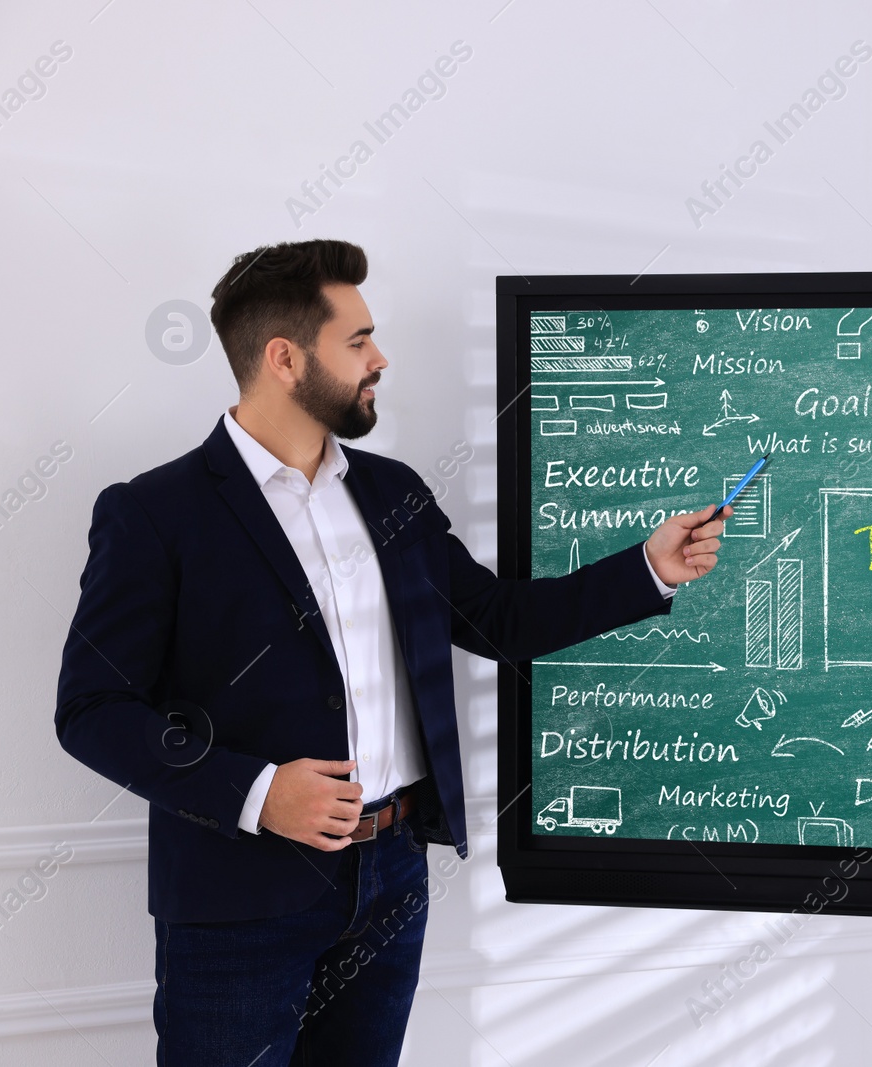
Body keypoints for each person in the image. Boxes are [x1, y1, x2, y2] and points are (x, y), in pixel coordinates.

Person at [53, 239, 729, 1066]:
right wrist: (258, 792)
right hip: (239, 899)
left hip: (392, 880)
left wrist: (649, 568)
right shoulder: (156, 512)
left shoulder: (393, 492)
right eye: (359, 340)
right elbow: (92, 710)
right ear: (284, 357)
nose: (381, 359)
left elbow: (493, 619)